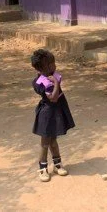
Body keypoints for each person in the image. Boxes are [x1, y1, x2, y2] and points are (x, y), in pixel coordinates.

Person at [30, 49, 75, 182]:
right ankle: (43, 168)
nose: (54, 66)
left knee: (53, 141)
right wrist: (56, 83)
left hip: (56, 112)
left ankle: (57, 164)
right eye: (51, 64)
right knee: (45, 143)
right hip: (47, 114)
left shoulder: (51, 75)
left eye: (53, 63)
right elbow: (53, 98)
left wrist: (55, 80)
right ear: (42, 68)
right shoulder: (39, 82)